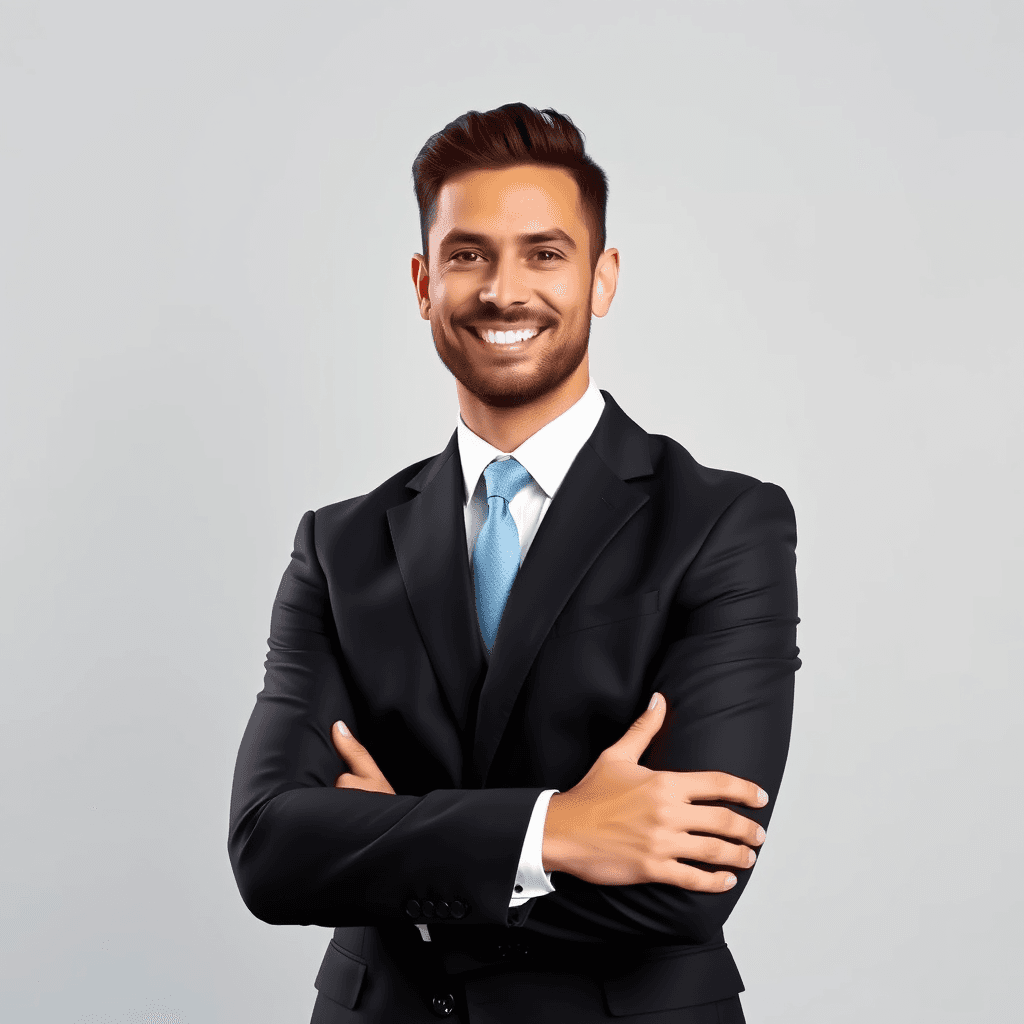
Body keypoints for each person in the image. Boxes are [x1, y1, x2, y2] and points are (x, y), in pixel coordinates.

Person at [228, 102, 800, 1024]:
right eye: (467, 254)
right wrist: (559, 831)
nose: (503, 290)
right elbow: (269, 850)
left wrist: (387, 855)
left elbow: (689, 885)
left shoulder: (724, 523)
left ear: (601, 278)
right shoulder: (338, 546)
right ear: (423, 282)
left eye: (544, 253)